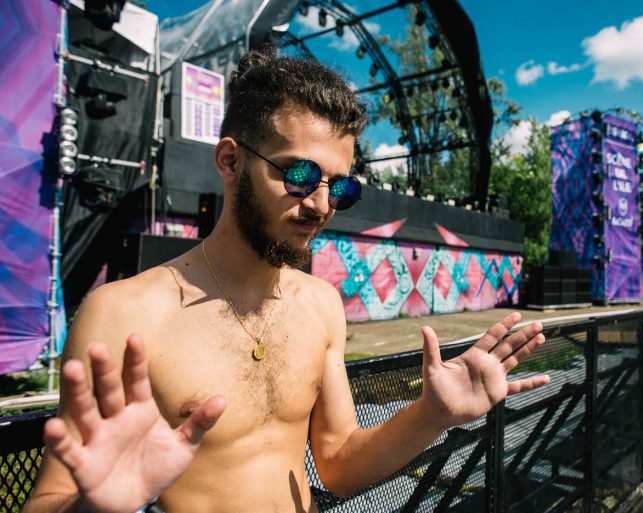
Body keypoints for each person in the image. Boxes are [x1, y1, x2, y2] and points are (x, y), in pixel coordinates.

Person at [24, 47, 549, 513]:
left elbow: (338, 465)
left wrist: (431, 415)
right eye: (299, 175)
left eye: (340, 188)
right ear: (231, 160)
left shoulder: (321, 304)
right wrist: (93, 506)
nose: (321, 205)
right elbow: (51, 497)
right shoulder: (124, 314)